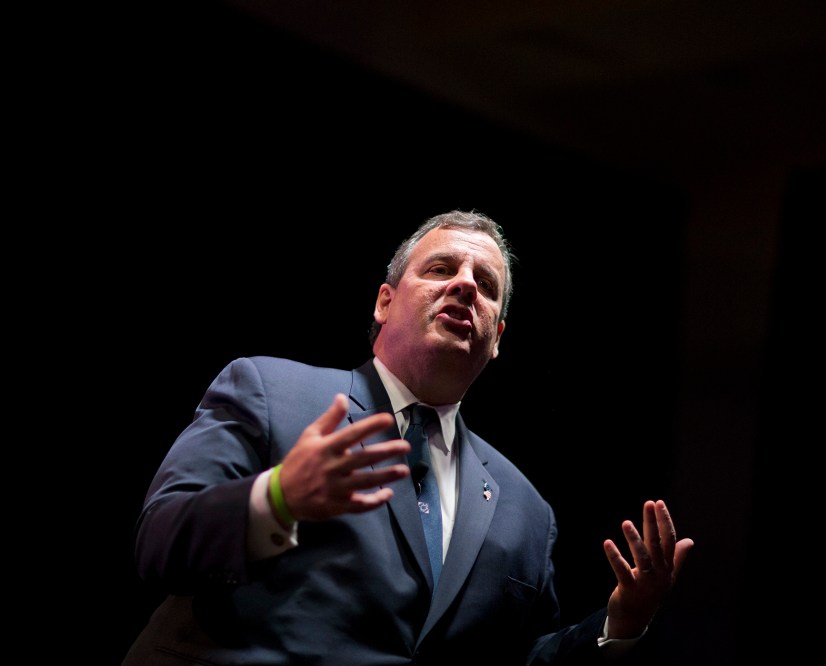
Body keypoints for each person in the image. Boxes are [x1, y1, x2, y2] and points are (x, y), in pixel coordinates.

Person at [123, 209, 694, 665]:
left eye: (486, 285)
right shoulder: (272, 391)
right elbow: (160, 545)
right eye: (442, 270)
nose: (466, 286)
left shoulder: (526, 511)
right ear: (385, 301)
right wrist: (278, 499)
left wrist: (622, 624)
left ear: (496, 338)